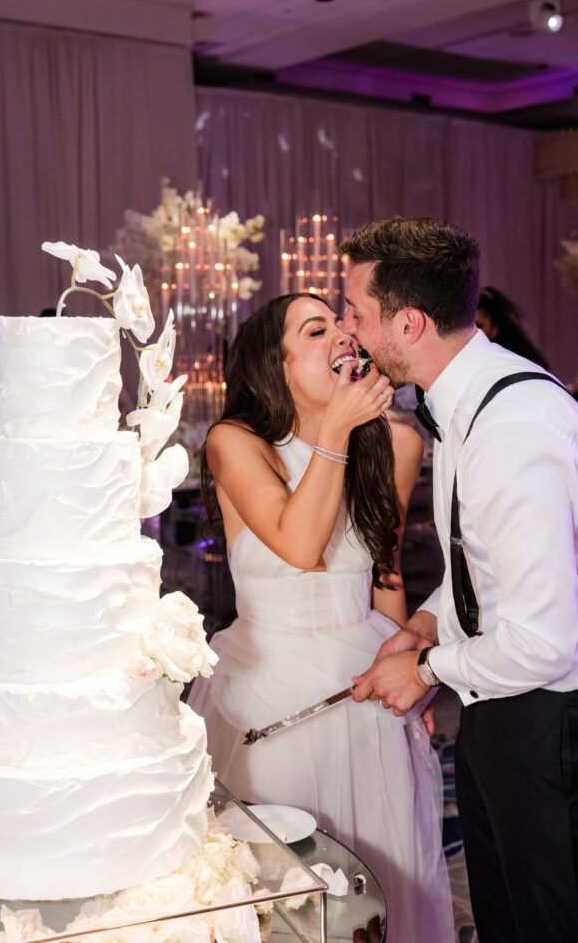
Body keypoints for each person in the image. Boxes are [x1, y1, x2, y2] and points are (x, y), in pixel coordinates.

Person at [189, 293, 455, 943]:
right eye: (316, 329)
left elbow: (385, 568)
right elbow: (299, 544)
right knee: (281, 885)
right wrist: (333, 429)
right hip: (266, 681)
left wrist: (406, 665)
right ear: (271, 366)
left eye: (341, 322)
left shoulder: (393, 442)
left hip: (359, 672)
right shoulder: (236, 441)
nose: (343, 334)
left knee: (378, 869)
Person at [342, 217, 578, 943]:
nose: (348, 331)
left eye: (355, 311)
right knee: (505, 911)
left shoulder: (511, 428)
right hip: (496, 704)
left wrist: (425, 668)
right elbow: (481, 567)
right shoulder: (462, 406)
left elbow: (546, 642)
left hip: (547, 720)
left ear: (408, 322)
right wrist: (425, 623)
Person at [475, 285, 550, 369]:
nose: (473, 330)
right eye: (468, 325)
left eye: (479, 325)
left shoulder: (517, 366)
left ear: (495, 330)